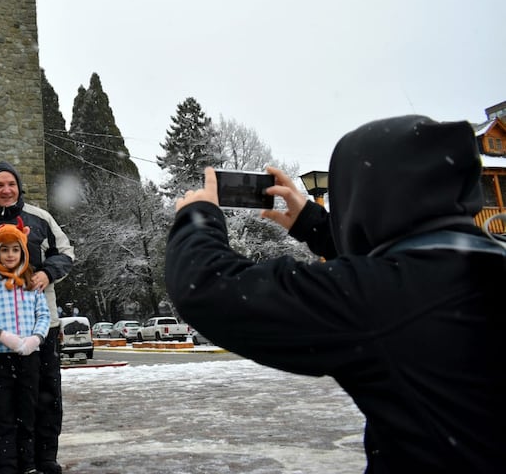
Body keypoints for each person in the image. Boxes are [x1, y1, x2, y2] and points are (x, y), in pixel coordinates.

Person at [164, 115, 506, 472]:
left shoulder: (376, 300)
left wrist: (197, 215)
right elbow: (403, 263)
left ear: (363, 197)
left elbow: (205, 286)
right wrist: (314, 224)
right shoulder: (481, 262)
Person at [0, 161, 74, 474]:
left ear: (19, 187)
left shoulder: (41, 218)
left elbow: (66, 252)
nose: (5, 189)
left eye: (10, 184)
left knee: (45, 394)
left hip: (40, 325)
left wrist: (45, 273)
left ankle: (43, 456)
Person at [0, 222, 51, 474]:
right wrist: (1, 335)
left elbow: (44, 314)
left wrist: (35, 339)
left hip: (27, 358)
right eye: (4, 250)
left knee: (26, 412)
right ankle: (5, 464)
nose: (10, 255)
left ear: (23, 252)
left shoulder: (31, 282)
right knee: (1, 413)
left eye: (15, 249)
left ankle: (27, 463)